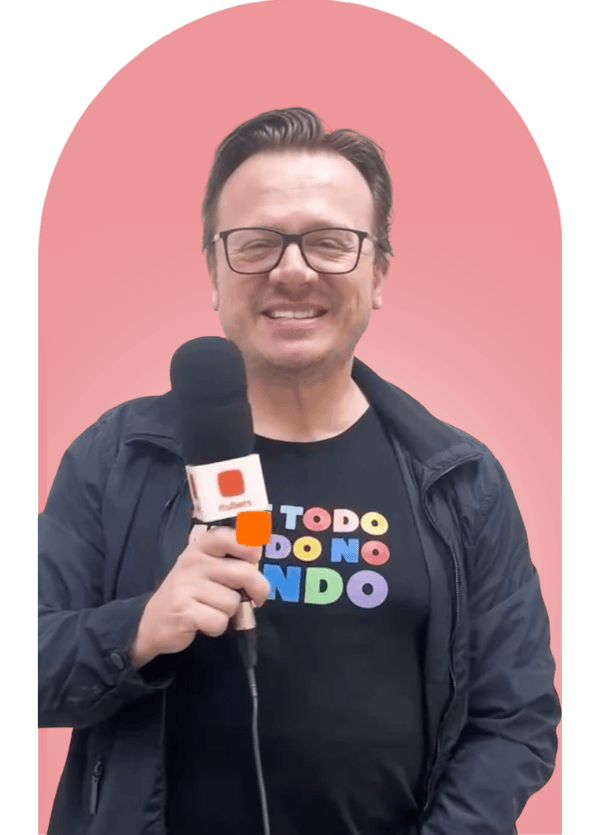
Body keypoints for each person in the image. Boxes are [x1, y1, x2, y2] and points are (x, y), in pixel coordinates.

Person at [38, 107, 560, 835]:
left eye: (330, 242)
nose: (292, 270)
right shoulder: (117, 455)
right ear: (214, 272)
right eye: (256, 244)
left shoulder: (460, 480)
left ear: (378, 273)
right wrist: (139, 629)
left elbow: (515, 718)